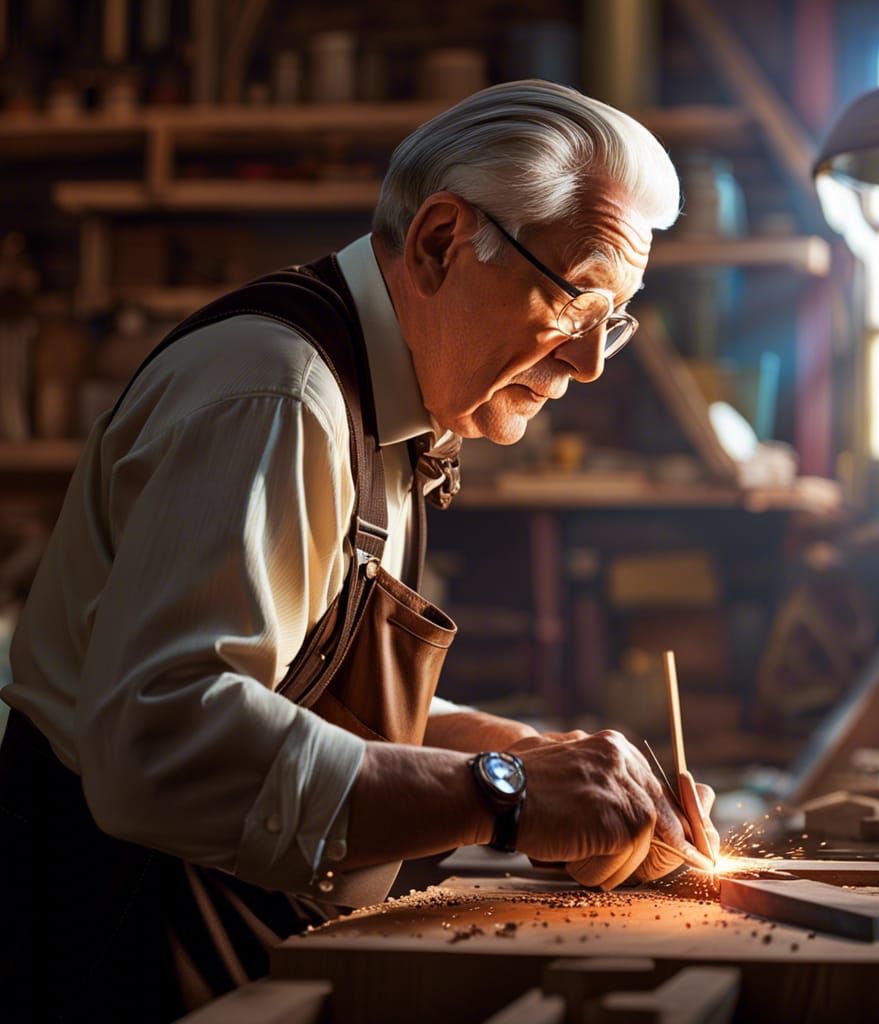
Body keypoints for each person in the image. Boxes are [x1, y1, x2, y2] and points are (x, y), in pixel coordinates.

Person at [0, 80, 718, 1021]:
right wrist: (504, 794)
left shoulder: (386, 406)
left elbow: (302, 694)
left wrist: (536, 758)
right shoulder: (277, 393)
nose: (586, 364)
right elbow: (163, 740)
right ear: (440, 243)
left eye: (609, 323)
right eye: (576, 299)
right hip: (119, 949)